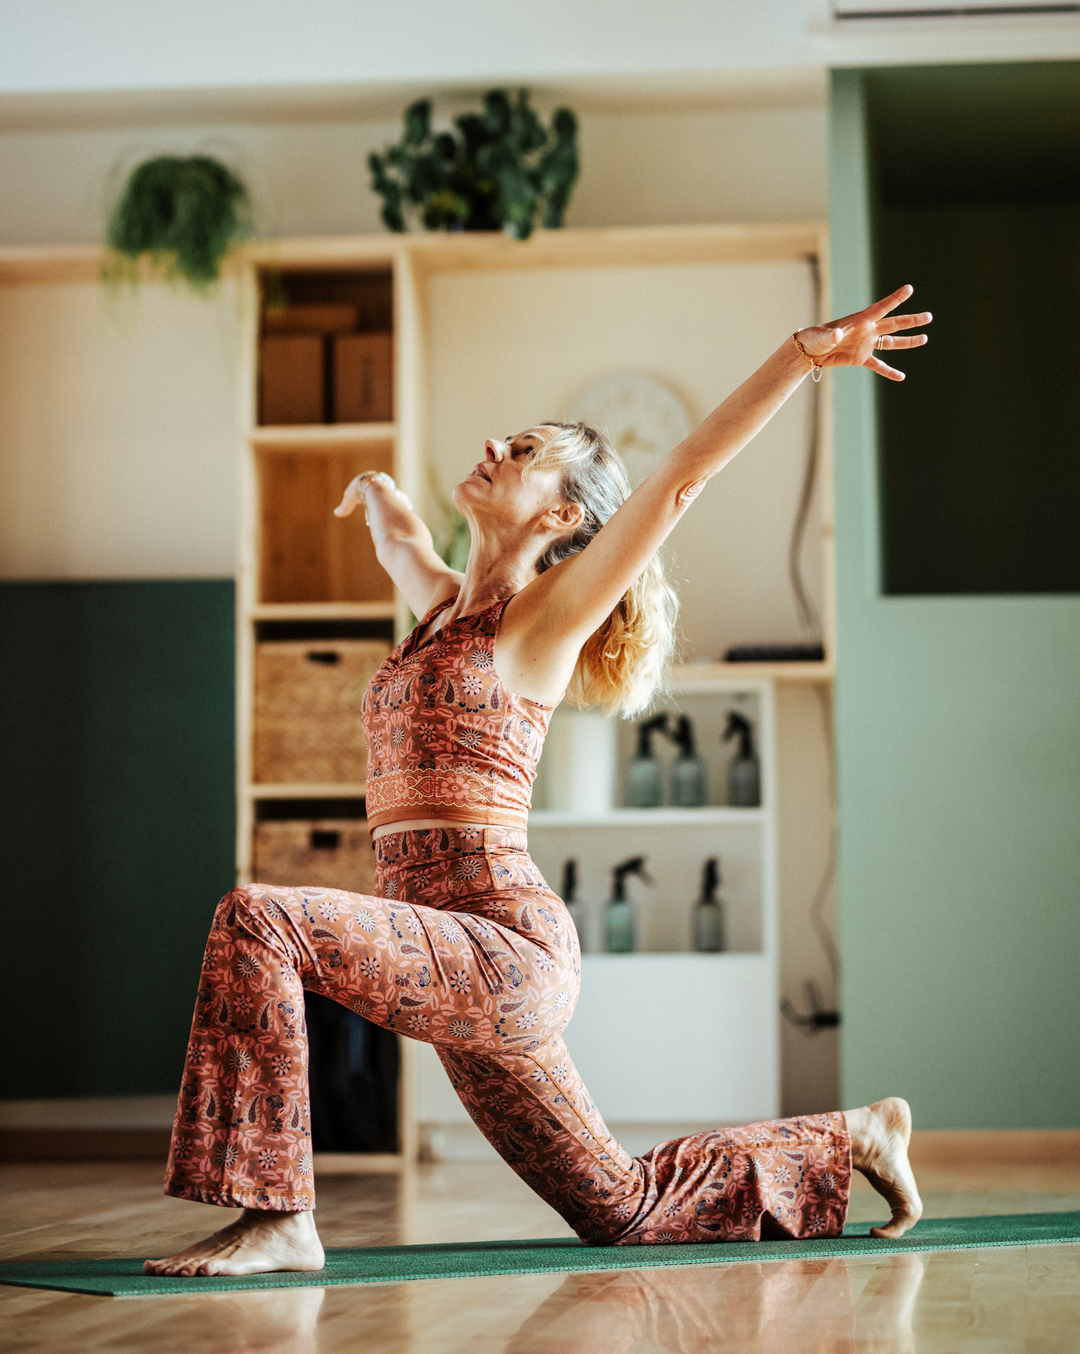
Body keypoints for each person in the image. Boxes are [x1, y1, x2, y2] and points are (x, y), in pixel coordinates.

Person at [147, 284, 931, 1277]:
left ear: (562, 514)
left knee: (256, 919)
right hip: (451, 952)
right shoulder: (442, 612)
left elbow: (684, 475)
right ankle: (856, 1135)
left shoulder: (541, 621)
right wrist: (386, 507)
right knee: (623, 1208)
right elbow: (413, 554)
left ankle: (277, 1217)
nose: (492, 448)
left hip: (505, 949)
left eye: (520, 453)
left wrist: (806, 355)